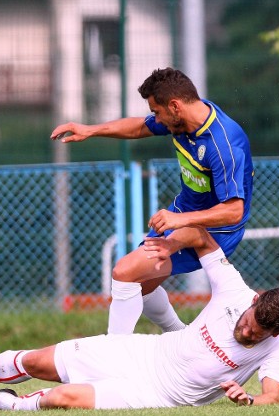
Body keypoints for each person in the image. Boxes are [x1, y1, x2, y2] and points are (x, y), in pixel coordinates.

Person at [0, 227, 279, 411]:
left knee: (62, 397)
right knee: (35, 361)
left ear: (276, 332)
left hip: (153, 395)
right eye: (248, 321)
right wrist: (171, 243)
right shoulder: (234, 288)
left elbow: (273, 397)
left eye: (256, 333)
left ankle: (2, 403)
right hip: (140, 353)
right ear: (255, 300)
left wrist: (248, 401)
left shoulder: (278, 347)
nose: (246, 331)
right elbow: (199, 235)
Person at [50, 67, 253, 335]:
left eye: (157, 112)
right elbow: (139, 127)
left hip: (214, 230)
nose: (155, 118)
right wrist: (91, 130)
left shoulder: (223, 144)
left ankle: (112, 356)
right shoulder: (183, 119)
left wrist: (180, 219)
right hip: (182, 215)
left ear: (175, 106)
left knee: (124, 273)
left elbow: (234, 211)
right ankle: (181, 338)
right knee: (139, 288)